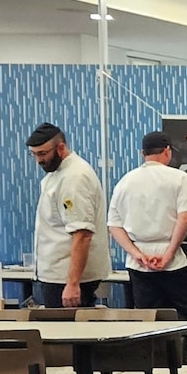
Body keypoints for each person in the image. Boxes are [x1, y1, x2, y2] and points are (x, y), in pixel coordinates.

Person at [107, 133, 187, 317]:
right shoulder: (180, 177)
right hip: (175, 259)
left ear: (142, 153)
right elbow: (184, 219)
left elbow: (114, 225)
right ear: (167, 151)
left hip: (140, 263)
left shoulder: (125, 181)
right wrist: (168, 254)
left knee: (150, 319)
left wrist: (137, 254)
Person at [26, 123, 111, 308]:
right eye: (34, 154)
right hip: (58, 275)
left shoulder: (74, 177)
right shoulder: (57, 174)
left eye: (43, 154)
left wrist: (72, 284)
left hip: (68, 279)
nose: (38, 160)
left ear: (61, 147)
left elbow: (82, 235)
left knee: (67, 335)